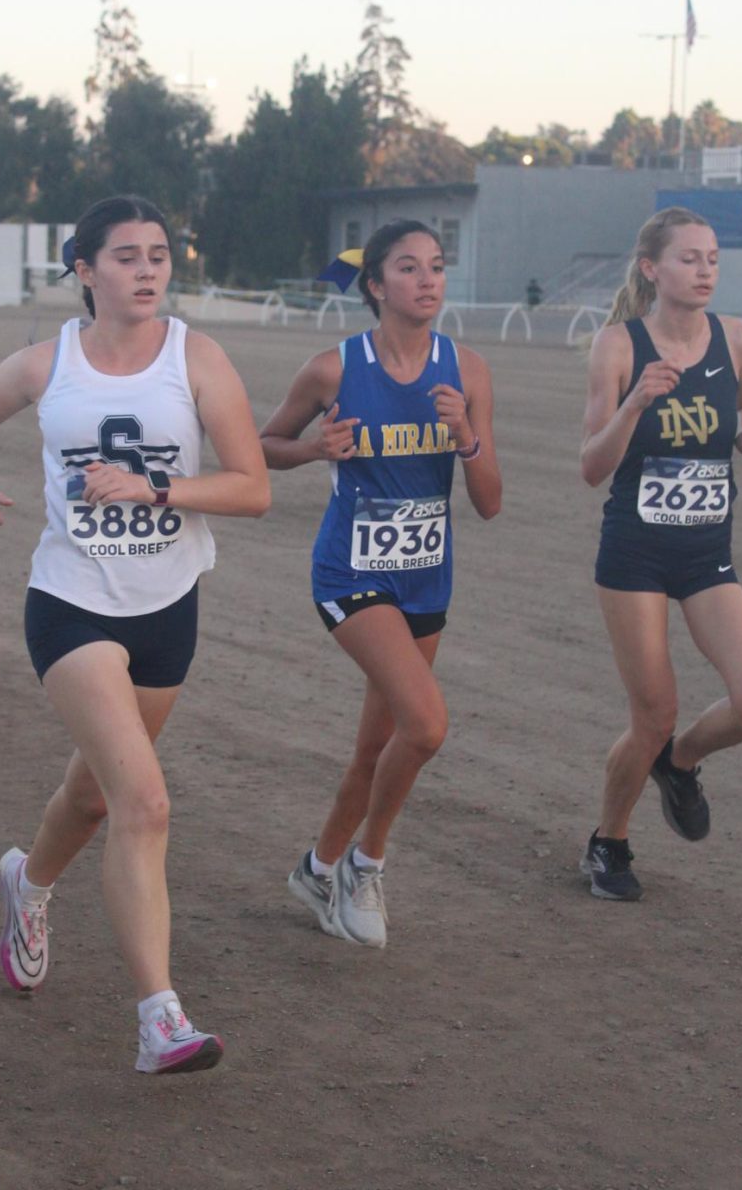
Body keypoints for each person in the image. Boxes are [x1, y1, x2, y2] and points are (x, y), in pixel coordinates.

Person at [0, 194, 269, 1074]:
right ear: (85, 271)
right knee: (145, 804)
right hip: (71, 603)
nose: (149, 270)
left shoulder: (197, 358)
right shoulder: (45, 365)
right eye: (126, 256)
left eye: (158, 254)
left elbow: (252, 486)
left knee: (92, 799)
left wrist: (157, 490)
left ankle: (28, 882)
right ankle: (160, 1018)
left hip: (167, 609)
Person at [260, 221, 501, 948]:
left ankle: (319, 864)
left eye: (436, 266)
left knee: (376, 751)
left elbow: (489, 501)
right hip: (351, 574)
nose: (428, 280)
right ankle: (368, 863)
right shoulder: (334, 368)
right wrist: (312, 449)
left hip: (426, 581)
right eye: (408, 268)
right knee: (425, 725)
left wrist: (468, 438)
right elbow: (264, 445)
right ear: (374, 285)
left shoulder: (468, 371)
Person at [580, 206, 742, 901]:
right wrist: (634, 403)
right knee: (652, 712)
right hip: (634, 555)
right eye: (689, 258)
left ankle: (681, 761)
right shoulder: (618, 346)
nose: (704, 271)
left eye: (713, 259)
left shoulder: (738, 338)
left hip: (705, 555)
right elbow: (591, 465)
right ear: (651, 269)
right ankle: (609, 842)